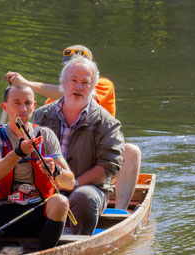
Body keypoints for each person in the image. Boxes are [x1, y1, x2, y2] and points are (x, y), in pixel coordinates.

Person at [5, 45, 141, 210]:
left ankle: (119, 212)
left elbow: (78, 94)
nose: (78, 85)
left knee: (132, 151)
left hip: (94, 160)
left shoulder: (102, 85)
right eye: (72, 73)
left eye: (83, 78)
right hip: (61, 167)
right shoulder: (50, 107)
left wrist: (26, 84)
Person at [0, 84, 74, 254]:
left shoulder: (45, 135)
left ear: (34, 106)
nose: (23, 108)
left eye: (28, 103)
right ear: (5, 107)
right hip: (3, 210)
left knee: (61, 202)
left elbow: (70, 183)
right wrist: (18, 152)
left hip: (37, 211)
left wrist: (56, 171)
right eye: (16, 103)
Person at [32, 56, 125, 235]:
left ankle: (77, 244)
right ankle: (28, 244)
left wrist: (73, 183)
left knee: (83, 196)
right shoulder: (40, 116)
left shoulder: (107, 123)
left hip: (89, 188)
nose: (79, 87)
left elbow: (109, 167)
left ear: (92, 87)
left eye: (85, 82)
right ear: (63, 83)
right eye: (74, 81)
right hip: (47, 186)